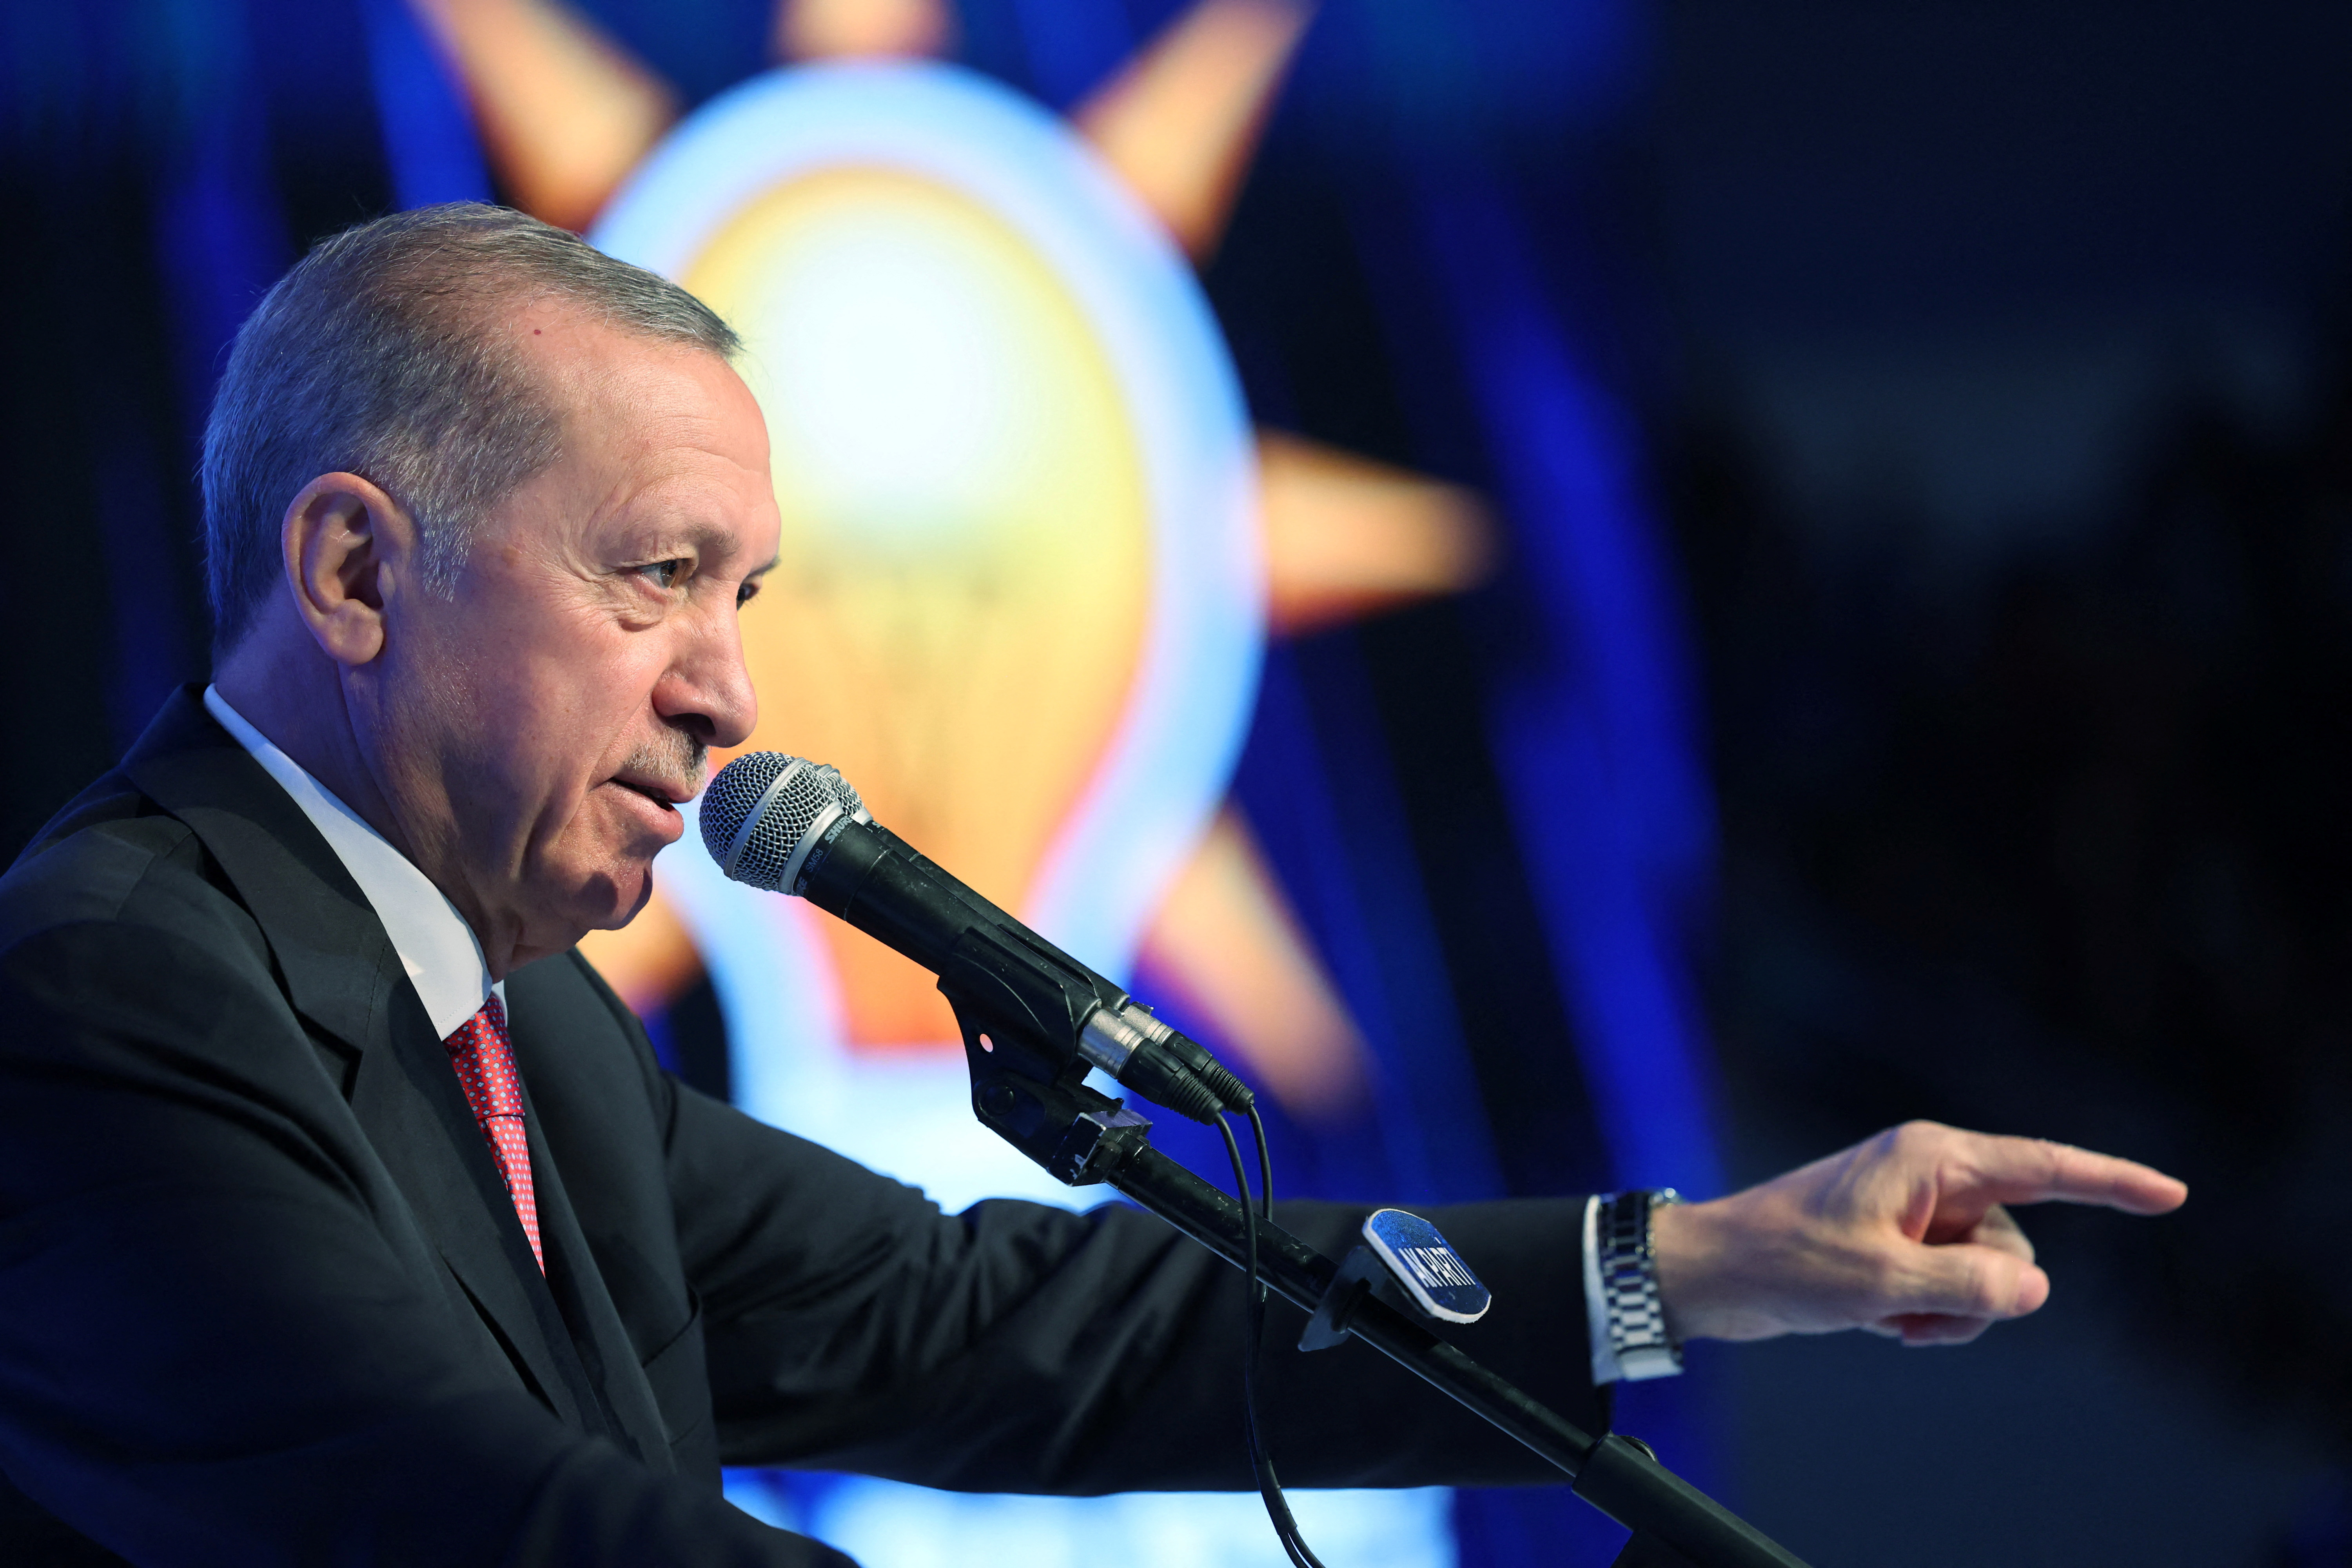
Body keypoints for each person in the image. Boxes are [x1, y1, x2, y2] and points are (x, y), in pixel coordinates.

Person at [0, 205, 2185, 1567]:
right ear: (358, 570)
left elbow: (995, 1319)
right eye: (657, 578)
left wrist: (1691, 1265)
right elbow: (486, 1532)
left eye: (746, 594)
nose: (730, 693)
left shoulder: (523, 1025)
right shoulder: (108, 990)